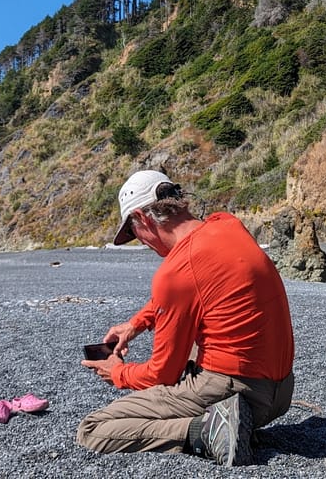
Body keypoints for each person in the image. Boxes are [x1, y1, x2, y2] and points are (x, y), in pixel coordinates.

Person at [77, 170, 294, 467]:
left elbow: (161, 374)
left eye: (132, 231)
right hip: (281, 391)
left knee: (94, 429)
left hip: (242, 392)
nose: (139, 241)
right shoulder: (227, 224)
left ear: (143, 217)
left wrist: (117, 372)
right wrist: (135, 324)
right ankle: (227, 418)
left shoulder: (176, 271)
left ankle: (206, 432)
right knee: (199, 335)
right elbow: (197, 285)